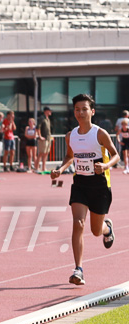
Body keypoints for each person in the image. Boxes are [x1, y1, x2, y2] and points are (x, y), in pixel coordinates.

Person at [51, 94, 118, 286]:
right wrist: (60, 169)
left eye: (84, 109)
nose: (80, 112)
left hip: (99, 185)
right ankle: (78, 269)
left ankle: (107, 228)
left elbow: (115, 155)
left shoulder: (100, 134)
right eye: (77, 109)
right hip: (80, 183)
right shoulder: (71, 135)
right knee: (78, 223)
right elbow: (69, 156)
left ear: (92, 111)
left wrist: (105, 167)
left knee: (96, 231)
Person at [37, 107, 53, 173]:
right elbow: (38, 127)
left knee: (46, 153)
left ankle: (43, 167)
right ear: (46, 111)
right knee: (41, 153)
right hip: (43, 138)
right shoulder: (41, 118)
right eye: (49, 110)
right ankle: (37, 167)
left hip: (48, 138)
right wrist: (40, 136)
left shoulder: (48, 119)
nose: (50, 112)